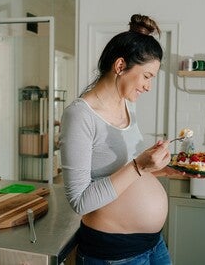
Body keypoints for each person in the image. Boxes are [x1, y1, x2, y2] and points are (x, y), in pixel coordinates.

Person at [60, 14, 177, 265]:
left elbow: (124, 173)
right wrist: (140, 165)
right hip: (114, 254)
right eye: (147, 76)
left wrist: (165, 168)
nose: (148, 86)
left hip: (154, 244)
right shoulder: (80, 115)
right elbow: (79, 202)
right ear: (121, 66)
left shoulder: (127, 105)